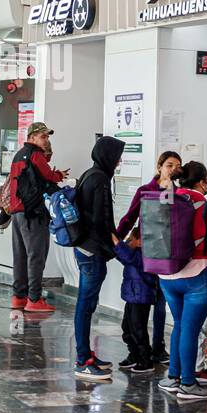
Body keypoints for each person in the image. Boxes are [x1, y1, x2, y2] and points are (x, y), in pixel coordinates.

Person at [156, 162, 207, 402]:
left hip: (167, 275)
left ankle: (173, 378)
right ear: (203, 182)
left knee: (180, 325)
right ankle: (189, 383)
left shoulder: (166, 200)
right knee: (191, 330)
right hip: (199, 276)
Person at [117, 150, 181, 364]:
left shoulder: (180, 193)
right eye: (169, 165)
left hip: (169, 256)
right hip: (148, 256)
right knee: (141, 306)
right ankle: (138, 350)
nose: (173, 170)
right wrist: (116, 240)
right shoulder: (145, 191)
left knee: (161, 304)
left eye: (176, 166)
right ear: (159, 167)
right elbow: (130, 217)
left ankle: (158, 347)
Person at [70, 135, 125, 381]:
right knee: (85, 304)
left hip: (82, 246)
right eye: (117, 155)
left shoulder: (89, 174)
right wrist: (115, 248)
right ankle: (83, 359)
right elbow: (102, 220)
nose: (119, 160)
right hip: (92, 250)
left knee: (86, 303)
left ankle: (86, 354)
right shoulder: (100, 179)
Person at [7, 122, 68, 313]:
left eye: (47, 137)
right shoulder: (35, 154)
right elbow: (48, 176)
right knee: (36, 256)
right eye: (43, 136)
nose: (46, 140)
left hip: (17, 212)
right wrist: (60, 175)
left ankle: (19, 296)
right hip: (33, 213)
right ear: (32, 137)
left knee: (20, 256)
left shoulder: (18, 155)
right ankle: (34, 299)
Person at [114, 227, 158, 372]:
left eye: (132, 239)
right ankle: (134, 355)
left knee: (138, 329)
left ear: (140, 242)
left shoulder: (145, 256)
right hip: (132, 296)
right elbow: (122, 256)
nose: (129, 242)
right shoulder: (134, 254)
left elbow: (128, 256)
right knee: (127, 327)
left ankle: (146, 360)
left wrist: (117, 242)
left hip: (141, 297)